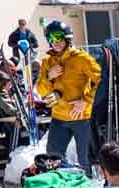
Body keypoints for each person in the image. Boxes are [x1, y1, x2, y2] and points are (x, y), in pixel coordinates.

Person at [34, 20, 101, 175]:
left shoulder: (82, 58)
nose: (55, 42)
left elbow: (100, 79)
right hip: (59, 117)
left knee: (85, 157)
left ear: (67, 37)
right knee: (52, 156)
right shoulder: (47, 62)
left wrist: (86, 101)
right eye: (51, 38)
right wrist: (49, 77)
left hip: (81, 117)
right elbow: (41, 90)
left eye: (59, 37)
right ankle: (62, 183)